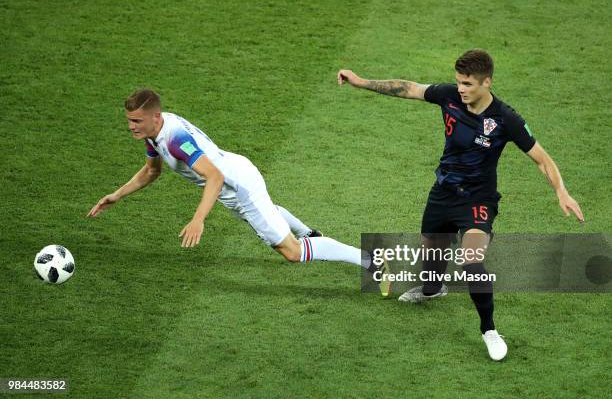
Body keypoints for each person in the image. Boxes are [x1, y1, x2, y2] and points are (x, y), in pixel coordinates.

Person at [337, 49, 584, 361]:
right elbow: (409, 88)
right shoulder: (449, 96)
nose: (461, 89)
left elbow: (542, 159)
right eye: (459, 82)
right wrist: (361, 82)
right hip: (443, 193)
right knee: (432, 250)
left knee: (471, 260)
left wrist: (561, 190)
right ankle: (432, 290)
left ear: (486, 82)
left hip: (478, 200)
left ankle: (489, 330)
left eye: (468, 83)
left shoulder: (506, 119)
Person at [87, 88, 373, 271]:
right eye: (129, 120)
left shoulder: (174, 139)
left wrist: (198, 219)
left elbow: (214, 176)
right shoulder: (156, 132)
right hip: (237, 176)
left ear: (155, 116)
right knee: (269, 214)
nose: (130, 127)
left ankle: (371, 260)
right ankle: (312, 235)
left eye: (136, 121)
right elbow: (151, 171)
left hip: (238, 187)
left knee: (292, 253)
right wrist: (117, 195)